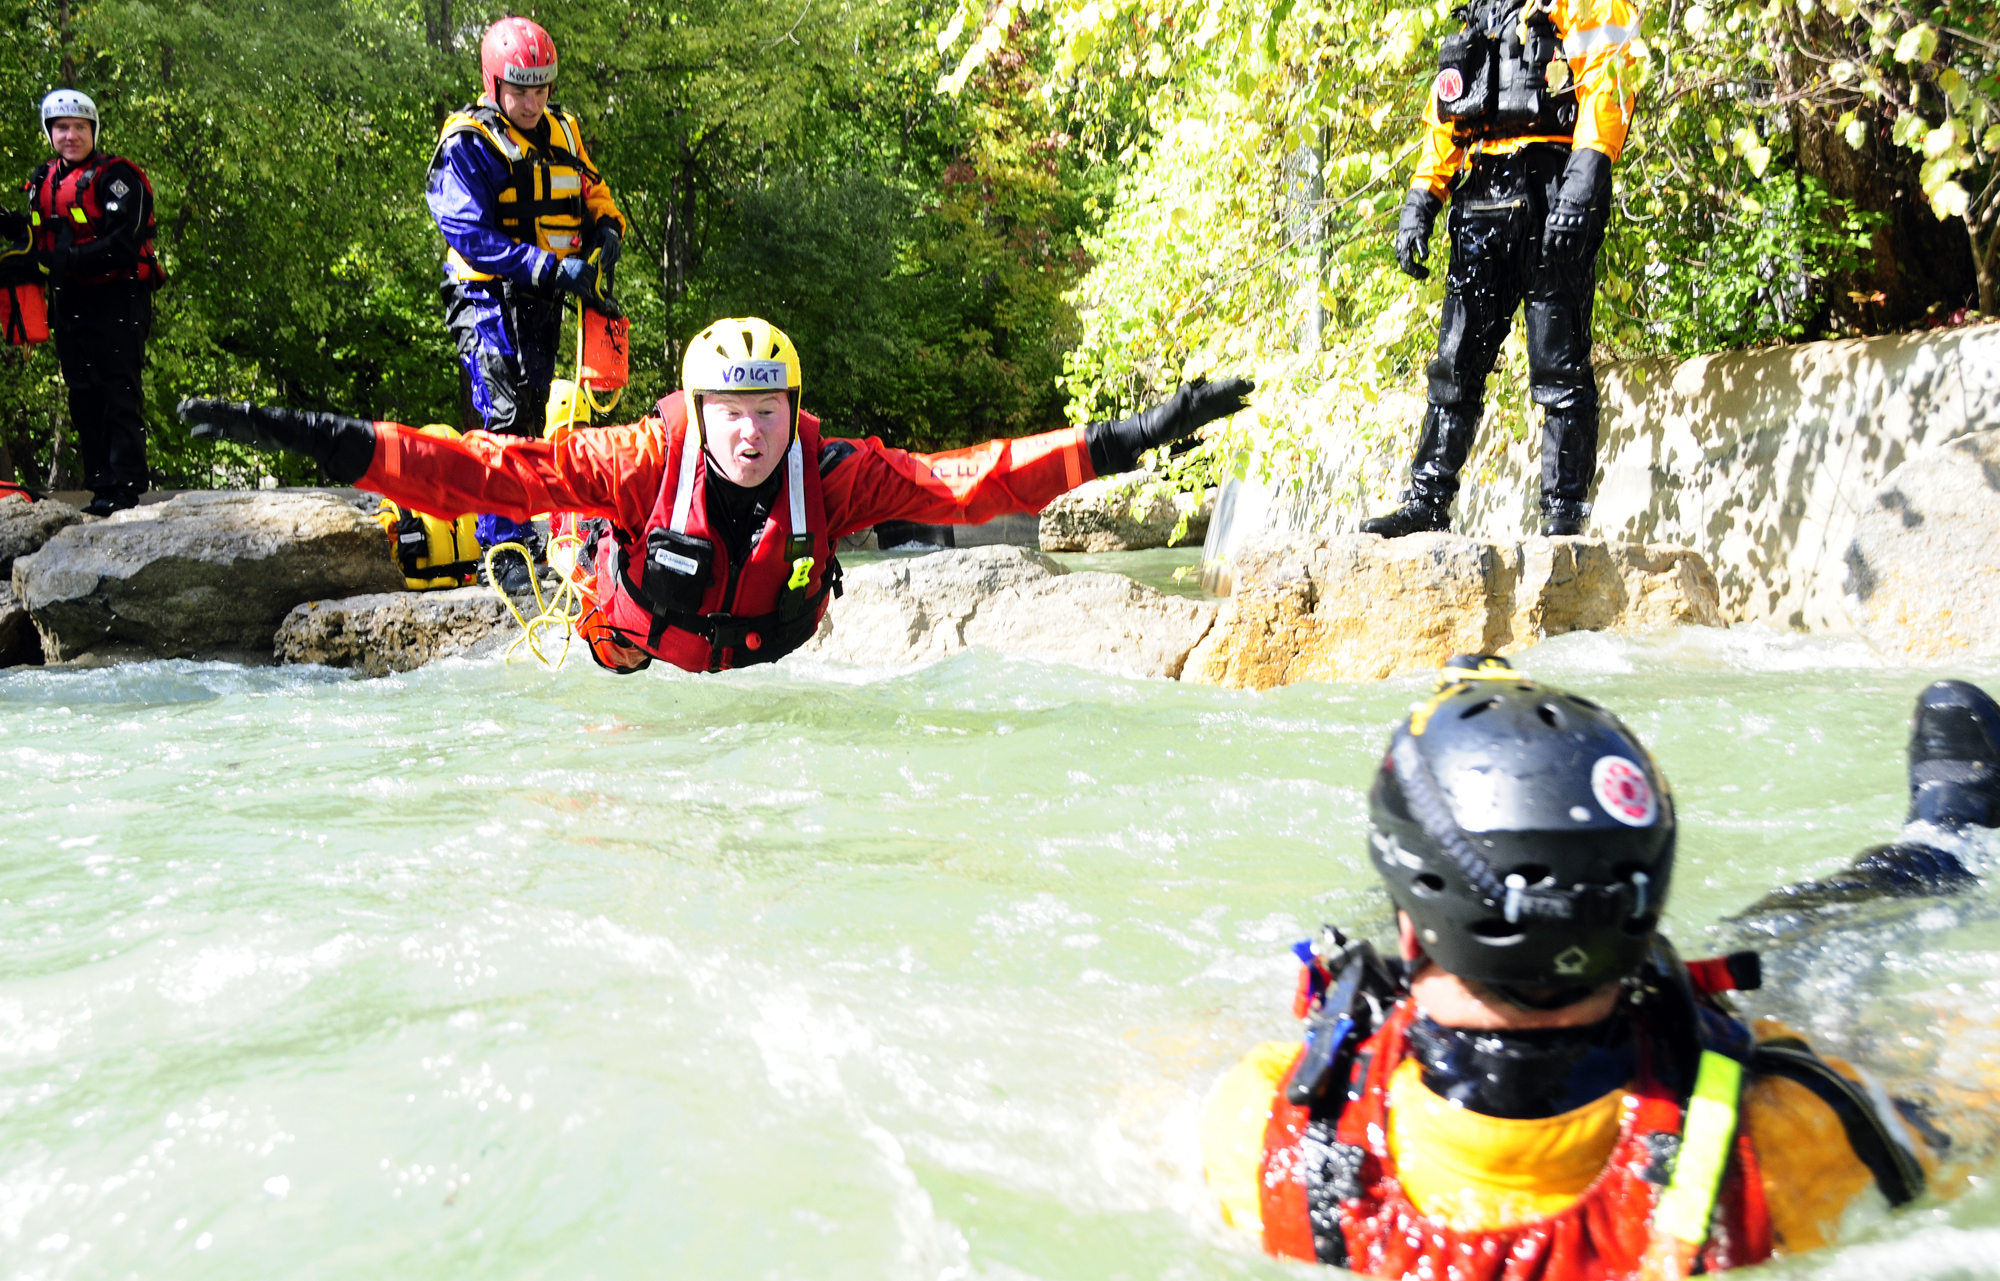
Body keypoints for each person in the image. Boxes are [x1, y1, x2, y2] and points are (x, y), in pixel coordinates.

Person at [1201, 657, 1989, 1278]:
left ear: (1413, 927)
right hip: (1706, 1090)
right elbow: (1970, 1116)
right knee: (1790, 943)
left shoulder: (1257, 1129)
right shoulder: (1795, 1136)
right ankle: (1943, 844)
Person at [176, 316, 1253, 674]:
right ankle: (567, 554)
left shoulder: (833, 476)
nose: (747, 430)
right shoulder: (638, 460)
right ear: (692, 411)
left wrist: (1130, 439)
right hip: (634, 668)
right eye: (726, 411)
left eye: (766, 408)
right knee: (555, 511)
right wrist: (318, 440)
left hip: (762, 670)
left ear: (792, 407)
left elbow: (978, 485)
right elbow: (473, 470)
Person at [1359, 0, 1637, 540]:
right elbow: (1448, 109)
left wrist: (1583, 183)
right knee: (1455, 362)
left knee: (1559, 365)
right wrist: (1422, 197)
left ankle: (1564, 517)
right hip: (1483, 192)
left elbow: (1609, 78)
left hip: (1555, 183)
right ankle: (1426, 501)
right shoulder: (1481, 12)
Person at [429, 16, 625, 593]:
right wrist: (548, 267)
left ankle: (516, 532)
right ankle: (505, 547)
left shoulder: (565, 129)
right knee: (503, 409)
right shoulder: (468, 142)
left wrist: (606, 226)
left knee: (533, 411)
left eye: (541, 87)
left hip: (545, 294)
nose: (533, 100)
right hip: (484, 293)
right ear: (494, 84)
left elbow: (589, 188)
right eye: (520, 88)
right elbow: (469, 232)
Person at [6, 90, 163, 516]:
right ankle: (100, 486)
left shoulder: (117, 177)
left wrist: (65, 260)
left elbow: (124, 244)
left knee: (117, 389)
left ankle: (126, 486)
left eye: (79, 127)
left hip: (117, 296)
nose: (71, 135)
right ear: (49, 133)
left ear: (93, 130)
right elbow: (40, 233)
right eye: (61, 128)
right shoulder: (44, 179)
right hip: (70, 299)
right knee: (82, 393)